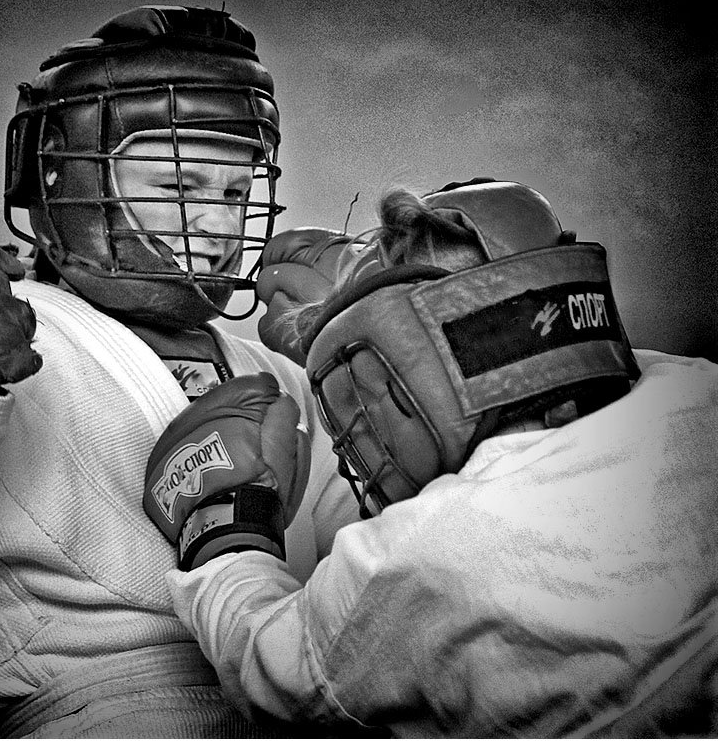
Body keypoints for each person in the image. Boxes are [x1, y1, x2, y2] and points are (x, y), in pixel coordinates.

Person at [0, 4, 359, 738]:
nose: (219, 224)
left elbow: (371, 590)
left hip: (300, 703)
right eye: (178, 188)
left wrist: (371, 376)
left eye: (236, 193)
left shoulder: (278, 373)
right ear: (65, 181)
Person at [146, 178, 718, 737]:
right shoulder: (695, 388)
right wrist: (373, 297)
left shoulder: (424, 551)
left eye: (370, 385)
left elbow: (270, 670)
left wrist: (226, 528)